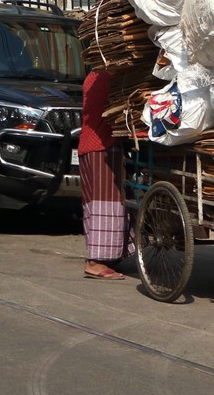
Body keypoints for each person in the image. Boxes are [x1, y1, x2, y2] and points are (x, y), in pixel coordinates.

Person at [80, 66, 131, 279]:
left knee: (102, 204)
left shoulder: (95, 75)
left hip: (94, 145)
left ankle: (106, 257)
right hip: (101, 146)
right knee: (106, 204)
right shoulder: (105, 77)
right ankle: (96, 262)